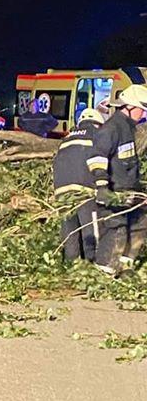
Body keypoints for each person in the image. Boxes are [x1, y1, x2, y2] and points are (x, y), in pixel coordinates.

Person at [86, 84, 147, 277]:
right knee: (116, 230)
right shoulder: (112, 128)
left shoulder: (128, 129)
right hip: (114, 193)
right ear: (129, 107)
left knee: (141, 223)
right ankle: (105, 273)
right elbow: (97, 156)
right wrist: (103, 186)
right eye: (142, 110)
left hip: (129, 190)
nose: (143, 114)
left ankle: (124, 267)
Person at [53, 108, 104, 262]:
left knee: (70, 232)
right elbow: (101, 162)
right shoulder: (96, 136)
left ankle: (71, 266)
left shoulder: (66, 139)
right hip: (84, 190)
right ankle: (93, 266)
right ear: (97, 124)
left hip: (62, 192)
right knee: (91, 231)